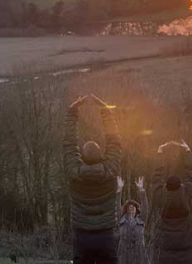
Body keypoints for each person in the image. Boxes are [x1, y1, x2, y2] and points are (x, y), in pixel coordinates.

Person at [65, 94, 123, 264]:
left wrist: (72, 111)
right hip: (106, 235)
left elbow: (69, 143)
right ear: (101, 156)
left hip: (82, 236)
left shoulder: (75, 172)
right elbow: (114, 142)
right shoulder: (109, 170)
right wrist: (105, 111)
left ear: (81, 156)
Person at [152, 140, 192, 264]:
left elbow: (156, 177)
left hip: (164, 258)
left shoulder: (161, 196)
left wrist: (160, 152)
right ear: (181, 186)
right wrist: (188, 152)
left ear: (165, 186)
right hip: (186, 257)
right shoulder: (186, 195)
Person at [116, 176, 149, 264]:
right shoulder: (121, 220)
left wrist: (142, 190)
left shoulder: (141, 220)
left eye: (133, 207)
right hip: (124, 256)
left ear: (136, 210)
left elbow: (145, 207)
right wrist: (119, 189)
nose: (131, 209)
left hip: (139, 256)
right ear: (126, 210)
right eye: (129, 207)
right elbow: (117, 207)